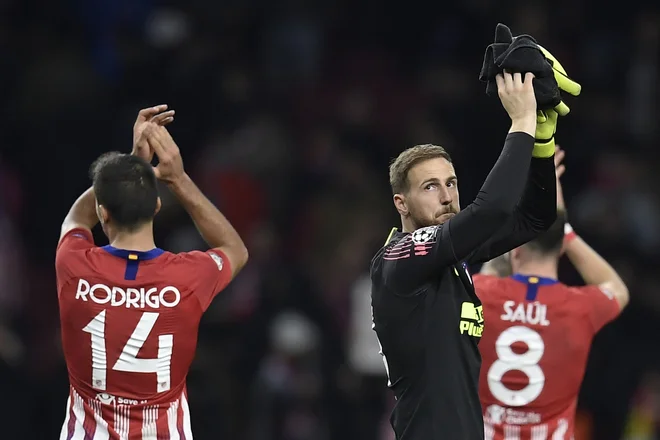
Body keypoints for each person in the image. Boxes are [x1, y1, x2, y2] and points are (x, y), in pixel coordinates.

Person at [370, 70, 558, 440]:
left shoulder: (453, 260)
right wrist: (521, 121)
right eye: (430, 187)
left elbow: (535, 217)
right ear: (401, 203)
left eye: (451, 183)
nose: (446, 196)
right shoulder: (400, 257)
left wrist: (542, 137)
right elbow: (493, 209)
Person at [56, 105, 249, 439]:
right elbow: (235, 249)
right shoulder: (188, 277)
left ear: (104, 213)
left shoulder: (74, 266)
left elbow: (75, 219)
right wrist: (178, 179)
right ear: (157, 206)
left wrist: (132, 165)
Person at [474, 146, 628, 440]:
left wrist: (516, 207)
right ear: (561, 249)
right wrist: (563, 228)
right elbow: (617, 289)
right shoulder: (580, 307)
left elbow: (492, 269)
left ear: (515, 248)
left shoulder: (483, 293)